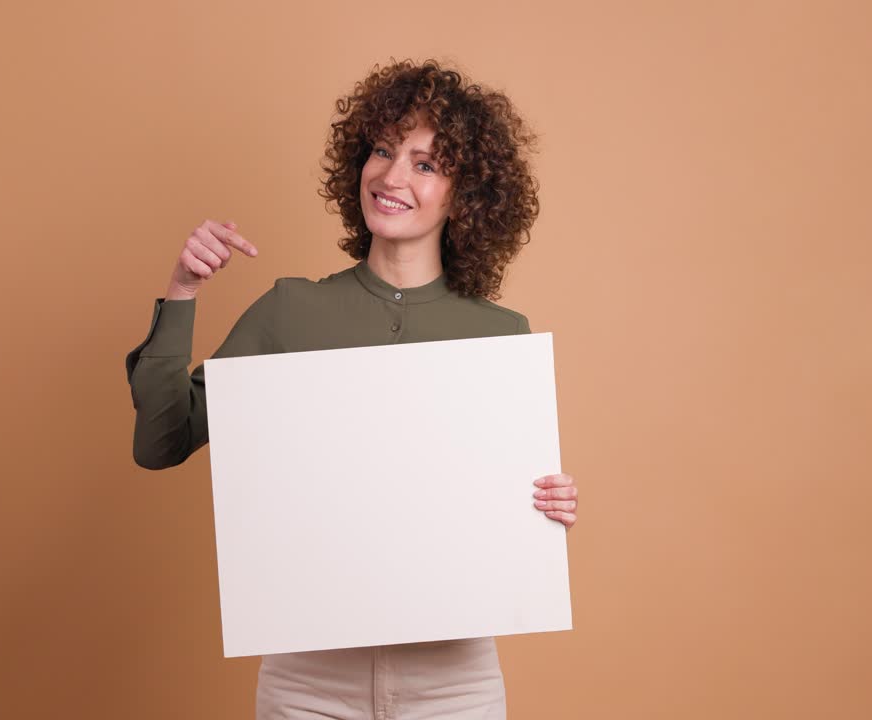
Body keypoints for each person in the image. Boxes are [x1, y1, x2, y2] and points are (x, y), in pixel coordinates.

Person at [125, 59, 577, 719]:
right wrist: (183, 290)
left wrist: (546, 505)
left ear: (466, 195)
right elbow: (161, 441)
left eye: (426, 164)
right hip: (310, 683)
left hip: (455, 684)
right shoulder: (288, 313)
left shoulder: (500, 337)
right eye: (384, 150)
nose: (393, 176)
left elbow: (496, 519)